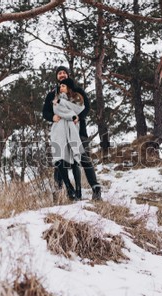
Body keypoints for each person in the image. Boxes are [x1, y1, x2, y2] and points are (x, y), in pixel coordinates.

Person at [43, 66, 102, 200]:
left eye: (64, 72)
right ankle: (58, 193)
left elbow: (86, 107)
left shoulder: (77, 91)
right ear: (56, 77)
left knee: (84, 158)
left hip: (79, 130)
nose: (62, 75)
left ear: (68, 75)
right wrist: (52, 117)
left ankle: (95, 188)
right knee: (60, 160)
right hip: (61, 131)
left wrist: (78, 118)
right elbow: (45, 112)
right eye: (59, 73)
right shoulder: (52, 94)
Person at [50, 78, 84, 200]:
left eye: (63, 85)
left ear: (69, 87)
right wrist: (72, 115)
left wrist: (66, 107)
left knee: (75, 159)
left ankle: (78, 192)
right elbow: (57, 110)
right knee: (59, 159)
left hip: (72, 130)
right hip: (59, 130)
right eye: (60, 86)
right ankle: (69, 188)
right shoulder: (56, 98)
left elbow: (79, 108)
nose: (61, 88)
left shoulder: (77, 97)